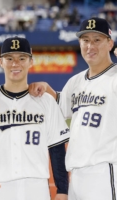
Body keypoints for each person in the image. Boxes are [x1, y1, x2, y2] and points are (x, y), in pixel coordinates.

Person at [0, 36, 70, 200]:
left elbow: (57, 148)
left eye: (22, 58)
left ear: (30, 62)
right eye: (9, 58)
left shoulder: (46, 101)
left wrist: (62, 190)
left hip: (37, 187)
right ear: (1, 62)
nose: (15, 63)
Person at [29, 17, 117, 200]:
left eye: (97, 40)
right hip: (76, 175)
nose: (90, 46)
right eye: (85, 40)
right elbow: (62, 108)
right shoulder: (75, 82)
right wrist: (49, 90)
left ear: (110, 44)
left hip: (105, 172)